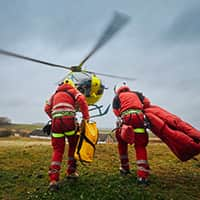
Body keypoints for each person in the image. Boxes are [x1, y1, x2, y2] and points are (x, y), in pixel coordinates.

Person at [44, 79, 89, 191]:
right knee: (73, 146)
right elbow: (82, 99)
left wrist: (54, 117)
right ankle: (71, 172)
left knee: (58, 150)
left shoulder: (54, 95)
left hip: (56, 123)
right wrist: (86, 117)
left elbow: (46, 108)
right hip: (69, 121)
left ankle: (53, 180)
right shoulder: (73, 91)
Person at [112, 83, 151, 185]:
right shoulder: (137, 94)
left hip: (126, 119)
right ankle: (143, 176)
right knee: (140, 146)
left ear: (117, 90)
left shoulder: (117, 97)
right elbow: (147, 102)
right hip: (140, 118)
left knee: (121, 142)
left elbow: (116, 112)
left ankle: (124, 168)